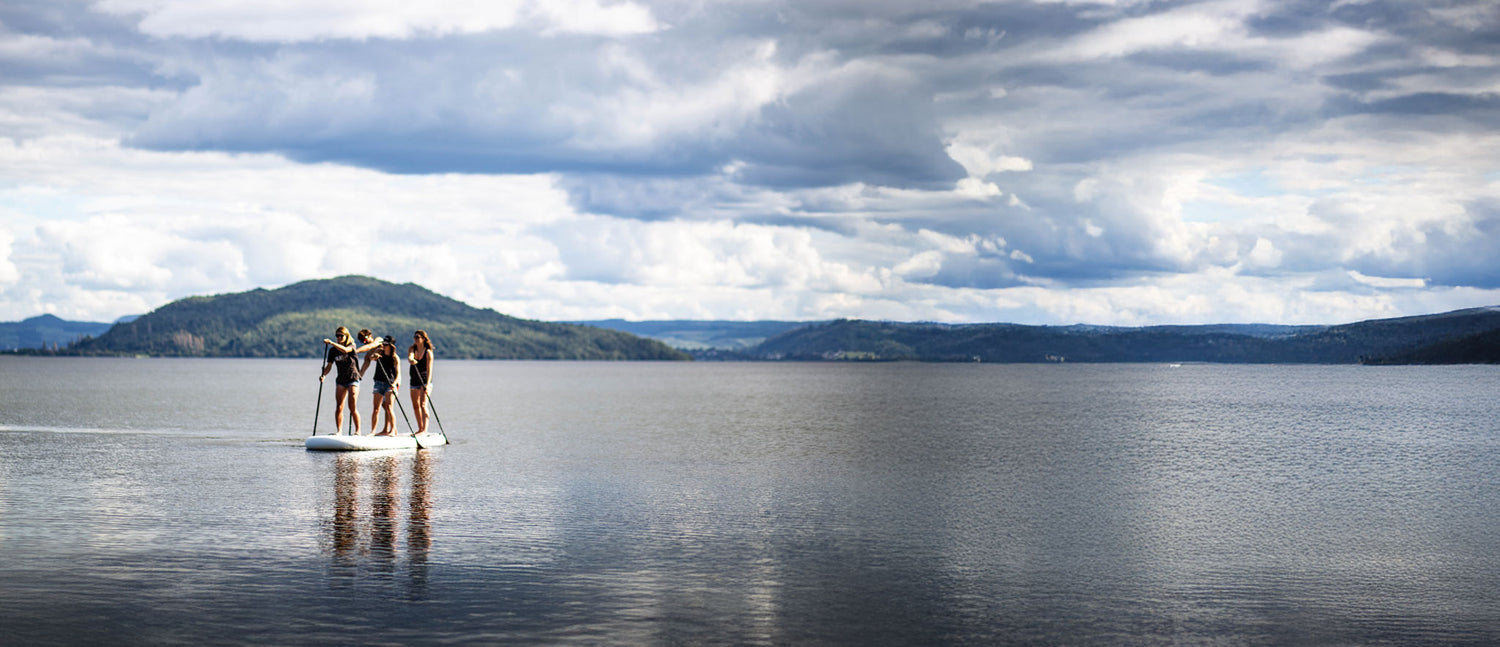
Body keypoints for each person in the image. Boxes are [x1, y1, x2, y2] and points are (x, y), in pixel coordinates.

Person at [320, 326, 362, 435]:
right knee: (339, 406)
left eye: (341, 336)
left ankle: (357, 431)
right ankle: (339, 431)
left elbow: (346, 350)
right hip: (341, 380)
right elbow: (329, 366)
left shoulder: (351, 345)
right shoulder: (333, 351)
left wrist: (332, 343)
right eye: (337, 336)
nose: (338, 338)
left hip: (353, 378)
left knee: (352, 406)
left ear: (346, 336)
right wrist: (324, 375)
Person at [360, 335, 402, 436]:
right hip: (378, 382)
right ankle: (373, 431)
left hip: (390, 383)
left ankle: (392, 430)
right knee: (376, 408)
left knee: (389, 407)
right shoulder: (379, 352)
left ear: (391, 346)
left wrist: (394, 384)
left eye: (386, 345)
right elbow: (371, 358)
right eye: (383, 344)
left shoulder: (395, 357)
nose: (384, 346)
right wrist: (376, 354)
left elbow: (398, 374)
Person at [408, 330, 435, 435]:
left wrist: (427, 384)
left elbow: (430, 369)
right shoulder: (412, 349)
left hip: (424, 381)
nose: (415, 339)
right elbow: (410, 356)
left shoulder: (428, 352)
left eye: (418, 337)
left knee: (423, 404)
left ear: (423, 339)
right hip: (414, 380)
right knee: (415, 405)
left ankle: (425, 430)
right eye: (414, 337)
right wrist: (412, 360)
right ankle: (420, 428)